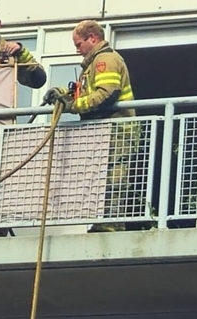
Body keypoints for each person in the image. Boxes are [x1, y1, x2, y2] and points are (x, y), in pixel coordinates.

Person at [44, 20, 139, 231]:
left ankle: (110, 225)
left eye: (79, 44)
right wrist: (63, 94)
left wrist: (74, 106)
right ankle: (102, 222)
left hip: (117, 130)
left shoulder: (105, 59)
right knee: (100, 177)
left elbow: (106, 94)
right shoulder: (94, 64)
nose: (77, 49)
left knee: (113, 178)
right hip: (105, 132)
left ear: (92, 38)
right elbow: (88, 93)